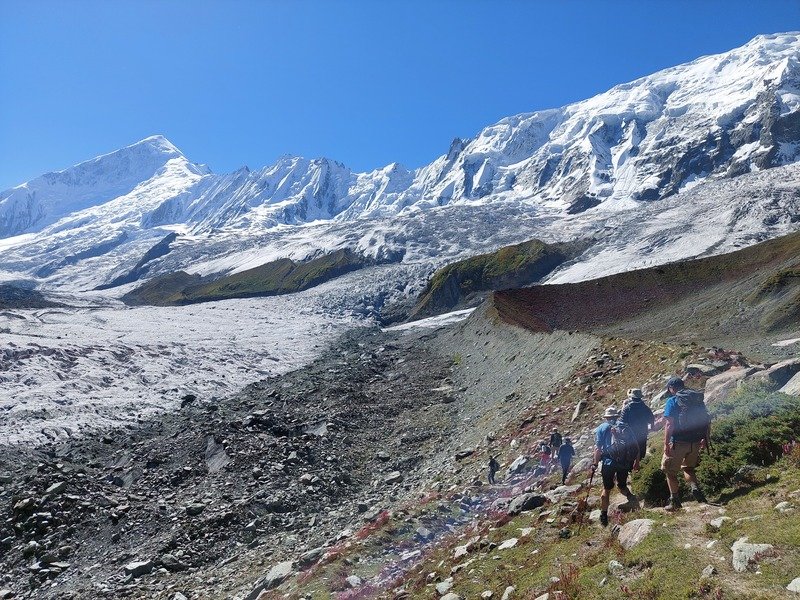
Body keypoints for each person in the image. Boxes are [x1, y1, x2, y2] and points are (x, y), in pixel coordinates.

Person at [661, 376, 711, 510]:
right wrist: (705, 439)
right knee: (688, 468)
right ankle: (695, 488)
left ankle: (675, 501)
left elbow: (669, 424)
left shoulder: (672, 401)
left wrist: (666, 443)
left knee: (670, 472)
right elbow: (706, 420)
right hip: (695, 441)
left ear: (672, 388)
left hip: (678, 442)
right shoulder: (696, 400)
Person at [592, 406, 639, 527]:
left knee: (607, 489)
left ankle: (603, 515)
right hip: (624, 462)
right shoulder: (624, 426)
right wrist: (636, 461)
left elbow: (598, 449)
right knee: (622, 485)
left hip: (608, 463)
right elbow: (635, 445)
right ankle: (632, 499)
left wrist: (595, 464)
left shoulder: (602, 428)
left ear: (606, 417)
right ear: (616, 416)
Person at [619, 388, 655, 469]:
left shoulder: (627, 408)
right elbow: (651, 419)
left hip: (630, 436)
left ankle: (632, 471)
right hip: (643, 434)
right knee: (641, 453)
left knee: (631, 454)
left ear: (631, 397)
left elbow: (621, 423)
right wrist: (652, 426)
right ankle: (640, 471)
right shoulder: (645, 407)